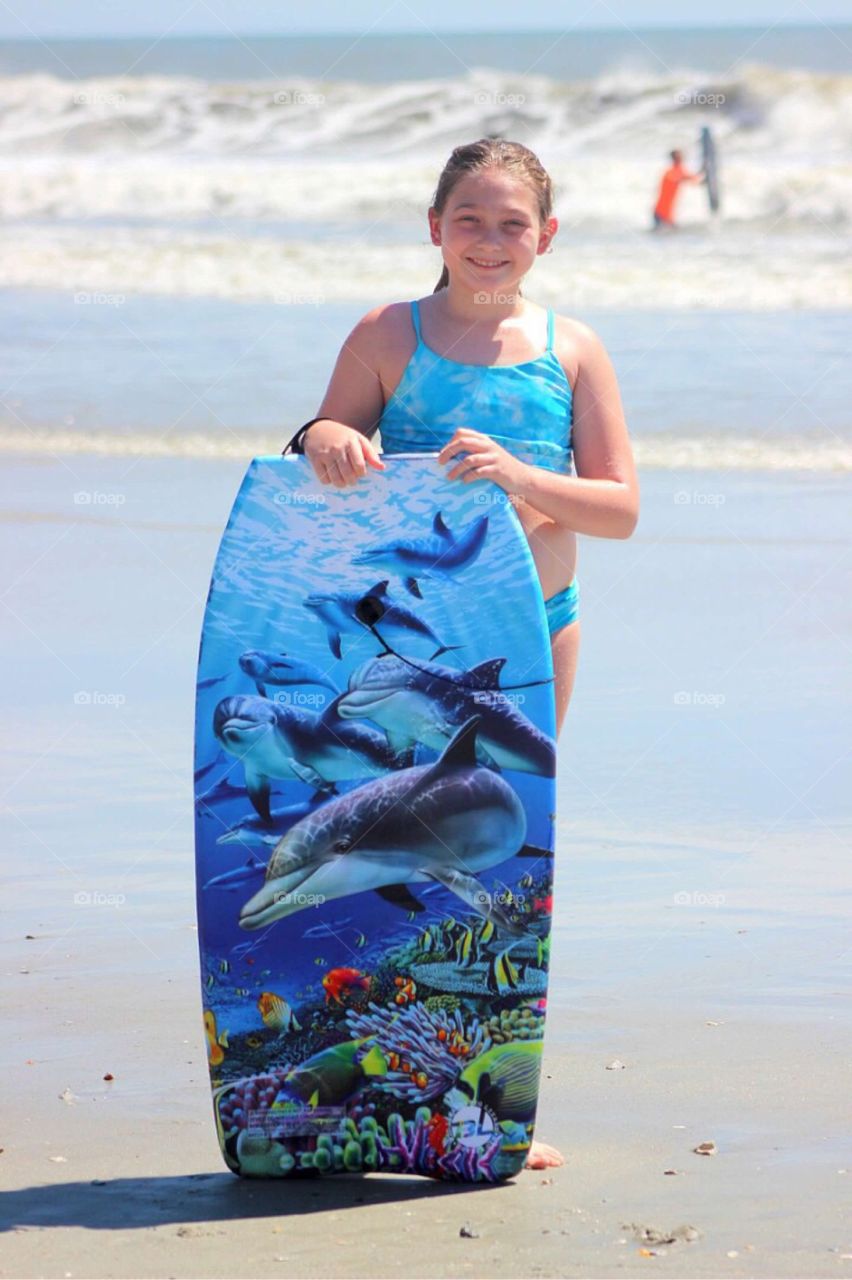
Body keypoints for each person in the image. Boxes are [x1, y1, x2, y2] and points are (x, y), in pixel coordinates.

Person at [290, 137, 639, 1171]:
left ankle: (485, 1100)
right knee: (377, 850)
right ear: (434, 226)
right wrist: (322, 436)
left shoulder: (572, 349)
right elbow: (315, 445)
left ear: (547, 236)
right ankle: (362, 1083)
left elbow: (619, 509)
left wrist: (524, 474)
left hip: (532, 627)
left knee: (501, 855)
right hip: (400, 654)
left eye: (513, 223)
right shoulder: (385, 333)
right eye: (470, 220)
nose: (491, 241)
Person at [652, 148, 704, 229]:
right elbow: (677, 178)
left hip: (669, 215)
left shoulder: (681, 171)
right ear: (674, 159)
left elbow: (694, 179)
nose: (681, 159)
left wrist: (704, 171)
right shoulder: (669, 172)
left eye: (681, 157)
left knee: (673, 236)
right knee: (665, 237)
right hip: (660, 212)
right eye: (679, 157)